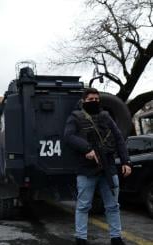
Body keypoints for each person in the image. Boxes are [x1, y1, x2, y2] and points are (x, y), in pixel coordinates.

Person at [64, 88, 132, 245]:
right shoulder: (75, 117)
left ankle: (116, 238)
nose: (94, 102)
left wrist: (126, 162)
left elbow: (118, 138)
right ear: (84, 101)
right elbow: (68, 136)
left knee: (113, 206)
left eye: (96, 99)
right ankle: (80, 238)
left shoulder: (105, 116)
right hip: (86, 169)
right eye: (91, 99)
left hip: (108, 167)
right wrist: (86, 148)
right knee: (83, 206)